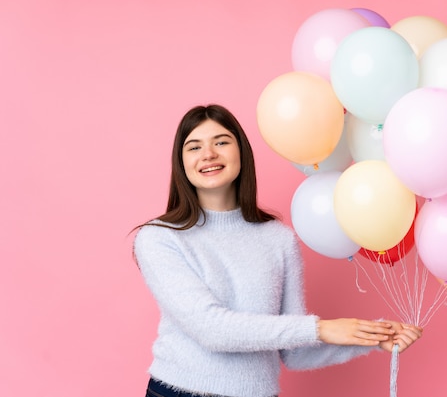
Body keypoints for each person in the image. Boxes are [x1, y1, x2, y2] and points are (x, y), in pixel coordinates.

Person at [133, 104, 422, 397]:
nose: (208, 154)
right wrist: (320, 328)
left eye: (221, 142)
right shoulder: (161, 238)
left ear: (241, 153)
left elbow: (294, 353)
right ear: (181, 163)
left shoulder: (278, 239)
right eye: (194, 147)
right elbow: (211, 329)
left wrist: (373, 336)